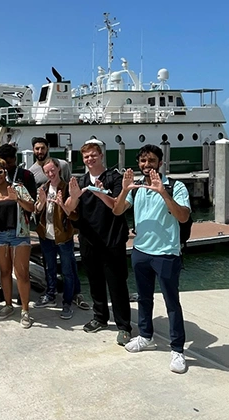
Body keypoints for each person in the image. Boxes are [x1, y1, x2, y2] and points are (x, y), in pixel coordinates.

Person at [112, 144, 191, 374]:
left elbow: (183, 216)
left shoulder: (175, 186)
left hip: (166, 254)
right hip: (141, 252)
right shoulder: (136, 189)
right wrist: (125, 189)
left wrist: (163, 192)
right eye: (143, 161)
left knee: (172, 303)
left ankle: (177, 349)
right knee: (144, 299)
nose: (147, 165)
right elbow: (117, 211)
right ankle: (145, 336)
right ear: (139, 164)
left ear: (160, 163)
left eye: (152, 161)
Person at [67, 140, 133, 346]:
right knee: (95, 281)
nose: (90, 159)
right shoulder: (81, 180)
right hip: (89, 239)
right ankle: (100, 317)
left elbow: (118, 206)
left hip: (112, 239)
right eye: (86, 157)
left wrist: (100, 193)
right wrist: (74, 197)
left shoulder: (115, 178)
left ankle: (124, 326)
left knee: (117, 284)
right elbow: (69, 209)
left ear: (101, 155)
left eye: (93, 155)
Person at [0, 158, 36, 328]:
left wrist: (17, 200)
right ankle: (8, 305)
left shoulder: (18, 188)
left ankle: (25, 310)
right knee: (4, 272)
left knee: (21, 273)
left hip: (19, 234)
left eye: (0, 172)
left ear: (5, 172)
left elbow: (31, 207)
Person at [32, 158, 80, 320]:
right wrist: (42, 202)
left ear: (59, 169)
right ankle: (50, 294)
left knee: (67, 271)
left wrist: (62, 204)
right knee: (49, 268)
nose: (50, 174)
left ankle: (67, 302)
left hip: (63, 236)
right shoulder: (43, 188)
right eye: (47, 172)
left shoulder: (66, 188)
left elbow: (73, 215)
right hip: (46, 235)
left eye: (53, 170)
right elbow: (37, 210)